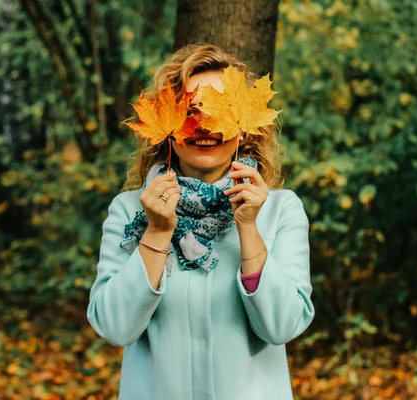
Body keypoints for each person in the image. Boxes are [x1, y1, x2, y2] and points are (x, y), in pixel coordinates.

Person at [86, 44, 314, 400]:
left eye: (219, 111)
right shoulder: (129, 211)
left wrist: (249, 228)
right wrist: (158, 231)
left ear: (243, 128)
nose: (204, 125)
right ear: (167, 125)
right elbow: (114, 328)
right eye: (191, 110)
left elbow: (283, 326)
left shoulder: (280, 210)